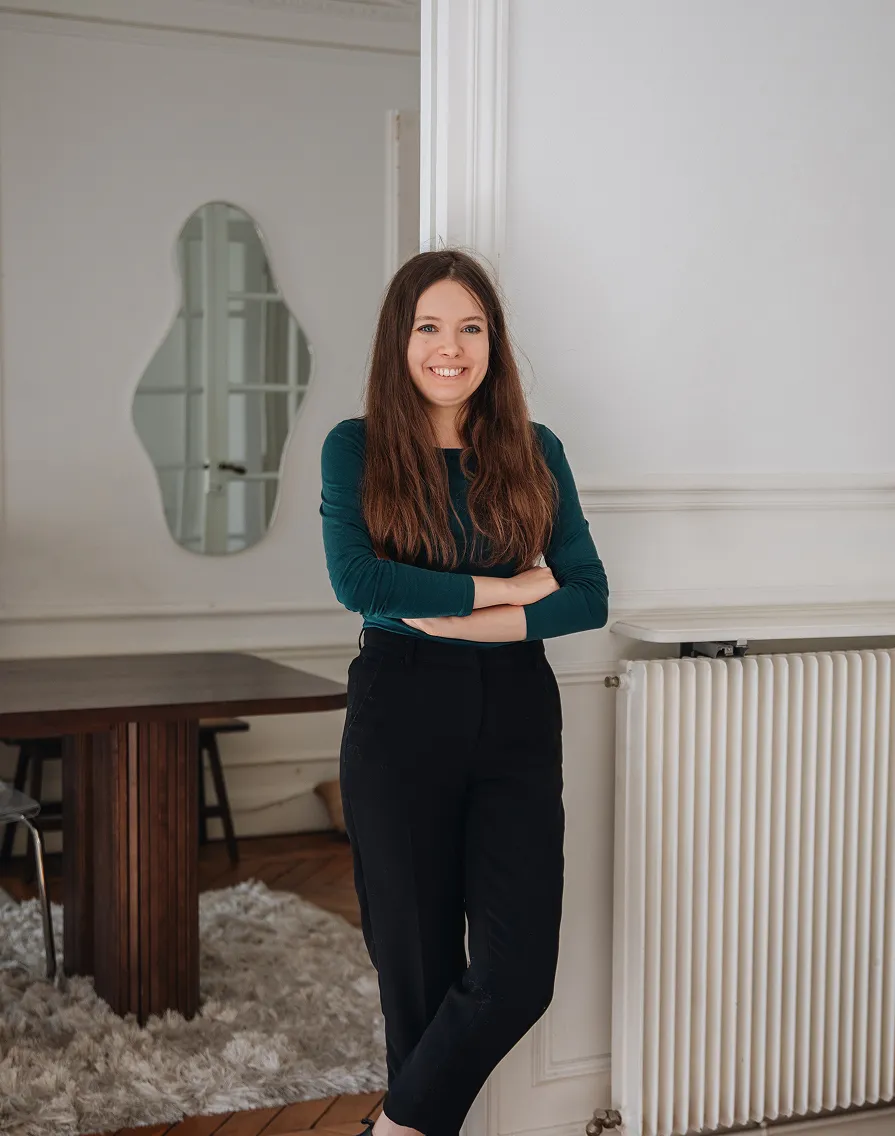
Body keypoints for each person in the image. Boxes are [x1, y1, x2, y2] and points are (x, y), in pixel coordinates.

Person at [319, 249, 608, 1136]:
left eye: (471, 327)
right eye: (430, 327)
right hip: (399, 711)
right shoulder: (356, 447)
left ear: (494, 341)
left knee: (518, 971)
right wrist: (509, 588)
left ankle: (394, 1129)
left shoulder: (534, 449)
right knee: (413, 969)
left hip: (516, 711)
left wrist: (472, 621)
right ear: (398, 341)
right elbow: (363, 584)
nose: (452, 348)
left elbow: (590, 594)